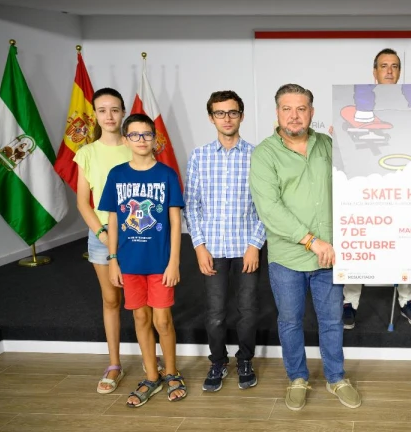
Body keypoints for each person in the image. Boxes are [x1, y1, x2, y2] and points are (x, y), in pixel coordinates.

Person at [250, 83, 361, 411]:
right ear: (277, 113)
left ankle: (336, 377)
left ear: (312, 112)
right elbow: (269, 209)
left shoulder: (328, 145)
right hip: (288, 257)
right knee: (290, 321)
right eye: (287, 109)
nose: (294, 115)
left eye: (301, 108)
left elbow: (354, 182)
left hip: (329, 256)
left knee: (332, 321)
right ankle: (297, 377)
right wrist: (312, 241)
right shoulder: (264, 154)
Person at [99, 113, 186, 407]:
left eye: (147, 134)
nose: (141, 140)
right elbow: (113, 220)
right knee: (140, 317)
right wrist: (113, 259)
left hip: (160, 262)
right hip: (129, 262)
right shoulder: (117, 175)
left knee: (162, 320)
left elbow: (175, 222)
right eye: (134, 135)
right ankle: (151, 376)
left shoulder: (167, 175)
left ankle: (171, 372)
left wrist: (174, 262)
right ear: (126, 140)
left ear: (154, 138)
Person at [185, 91, 266, 392]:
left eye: (232, 112)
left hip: (247, 248)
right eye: (220, 113)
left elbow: (266, 205)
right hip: (212, 249)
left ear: (241, 116)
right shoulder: (199, 156)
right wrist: (199, 246)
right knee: (216, 314)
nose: (227, 118)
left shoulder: (258, 156)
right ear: (211, 118)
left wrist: (255, 244)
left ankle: (245, 360)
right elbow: (191, 205)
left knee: (247, 311)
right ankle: (218, 361)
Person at [342, 48, 411, 330]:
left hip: (402, 184)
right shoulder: (359, 101)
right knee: (359, 242)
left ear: (400, 71)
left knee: (406, 243)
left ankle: (407, 299)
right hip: (366, 185)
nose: (389, 71)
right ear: (374, 71)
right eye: (384, 66)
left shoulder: (410, 104)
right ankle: (349, 302)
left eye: (394, 66)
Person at [74, 88, 132, 394]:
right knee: (112, 300)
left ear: (123, 112)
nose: (109, 116)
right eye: (102, 110)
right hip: (101, 235)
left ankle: (153, 360)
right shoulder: (86, 153)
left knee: (144, 301)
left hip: (137, 233)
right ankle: (114, 364)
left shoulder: (136, 146)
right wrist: (102, 233)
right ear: (95, 115)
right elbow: (83, 202)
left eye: (114, 109)